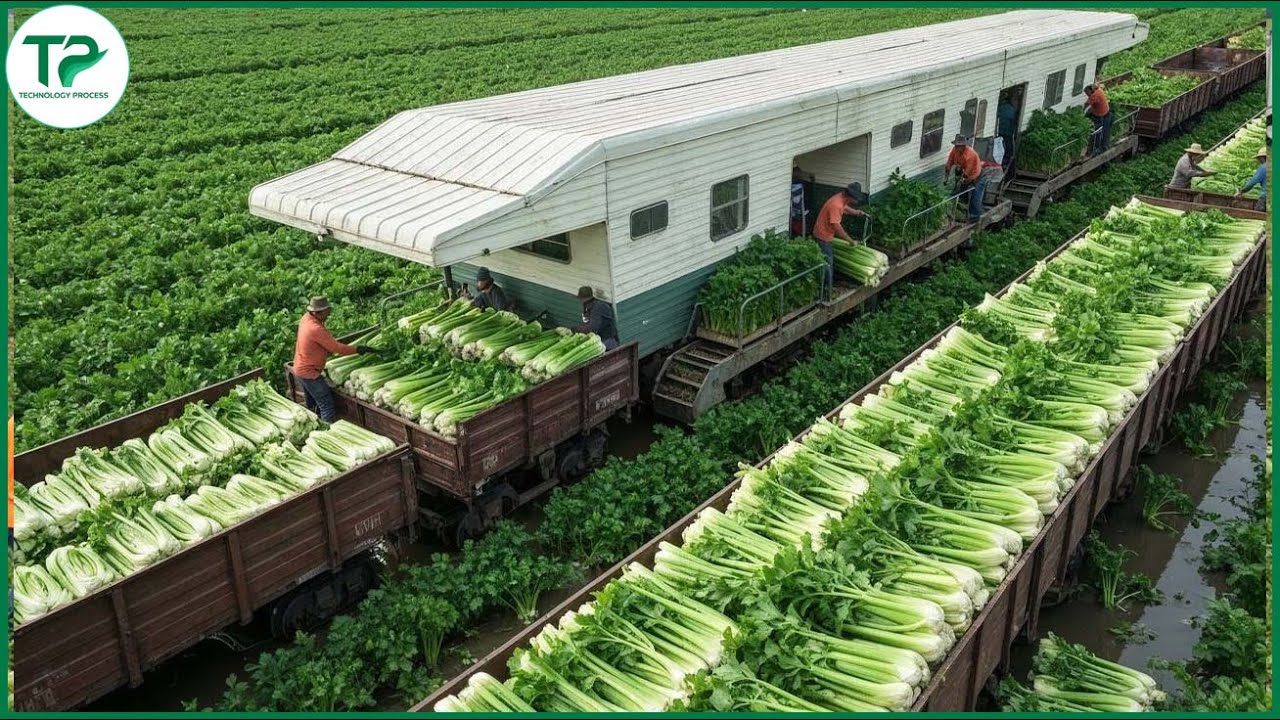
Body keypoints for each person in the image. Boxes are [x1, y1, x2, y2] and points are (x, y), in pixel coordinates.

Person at [292, 296, 379, 423]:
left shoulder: (306, 318)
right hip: (309, 372)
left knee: (313, 404)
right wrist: (358, 349)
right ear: (317, 312)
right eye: (326, 311)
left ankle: (316, 426)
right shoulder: (315, 328)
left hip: (299, 367)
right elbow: (337, 348)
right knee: (326, 406)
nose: (329, 314)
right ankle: (327, 434)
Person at [811, 182, 866, 288]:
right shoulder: (835, 205)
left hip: (825, 233)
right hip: (823, 236)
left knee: (828, 259)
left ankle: (827, 284)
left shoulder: (840, 199)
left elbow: (844, 208)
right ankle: (827, 288)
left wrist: (855, 212)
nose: (856, 201)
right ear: (850, 197)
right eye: (855, 198)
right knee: (828, 262)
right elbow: (837, 226)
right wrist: (849, 240)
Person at [944, 134, 986, 223]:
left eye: (959, 146)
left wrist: (960, 182)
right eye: (956, 145)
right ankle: (960, 214)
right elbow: (949, 164)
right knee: (961, 195)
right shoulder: (954, 151)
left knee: (975, 197)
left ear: (963, 146)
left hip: (976, 176)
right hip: (962, 173)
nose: (956, 147)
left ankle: (974, 219)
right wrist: (946, 178)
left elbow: (967, 173)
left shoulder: (970, 154)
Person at [573, 286, 619, 350]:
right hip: (603, 337)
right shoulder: (590, 305)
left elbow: (593, 327)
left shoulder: (597, 308)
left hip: (608, 340)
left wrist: (575, 329)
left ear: (582, 299)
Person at [1083, 84, 1112, 156]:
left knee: (1098, 132)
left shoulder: (1094, 96)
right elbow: (1100, 85)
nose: (1087, 95)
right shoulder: (1098, 90)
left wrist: (1082, 112)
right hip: (1104, 112)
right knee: (1105, 131)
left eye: (1087, 93)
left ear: (1090, 91)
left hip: (1101, 116)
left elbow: (1087, 104)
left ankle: (1096, 149)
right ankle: (1100, 146)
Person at [1236, 148, 1268, 212]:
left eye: (1259, 158)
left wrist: (1242, 191)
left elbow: (1252, 182)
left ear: (1262, 158)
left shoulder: (1264, 167)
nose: (1259, 160)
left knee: (1258, 216)